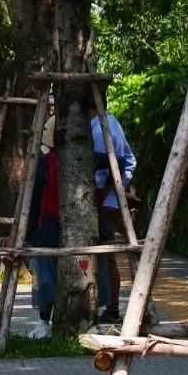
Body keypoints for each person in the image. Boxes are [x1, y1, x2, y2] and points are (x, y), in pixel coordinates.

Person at [24, 104, 141, 331]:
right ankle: (106, 310)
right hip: (98, 204)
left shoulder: (93, 135)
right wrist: (114, 189)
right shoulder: (110, 123)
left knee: (97, 259)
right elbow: (127, 161)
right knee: (101, 258)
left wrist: (108, 192)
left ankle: (78, 316)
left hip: (84, 213)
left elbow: (39, 200)